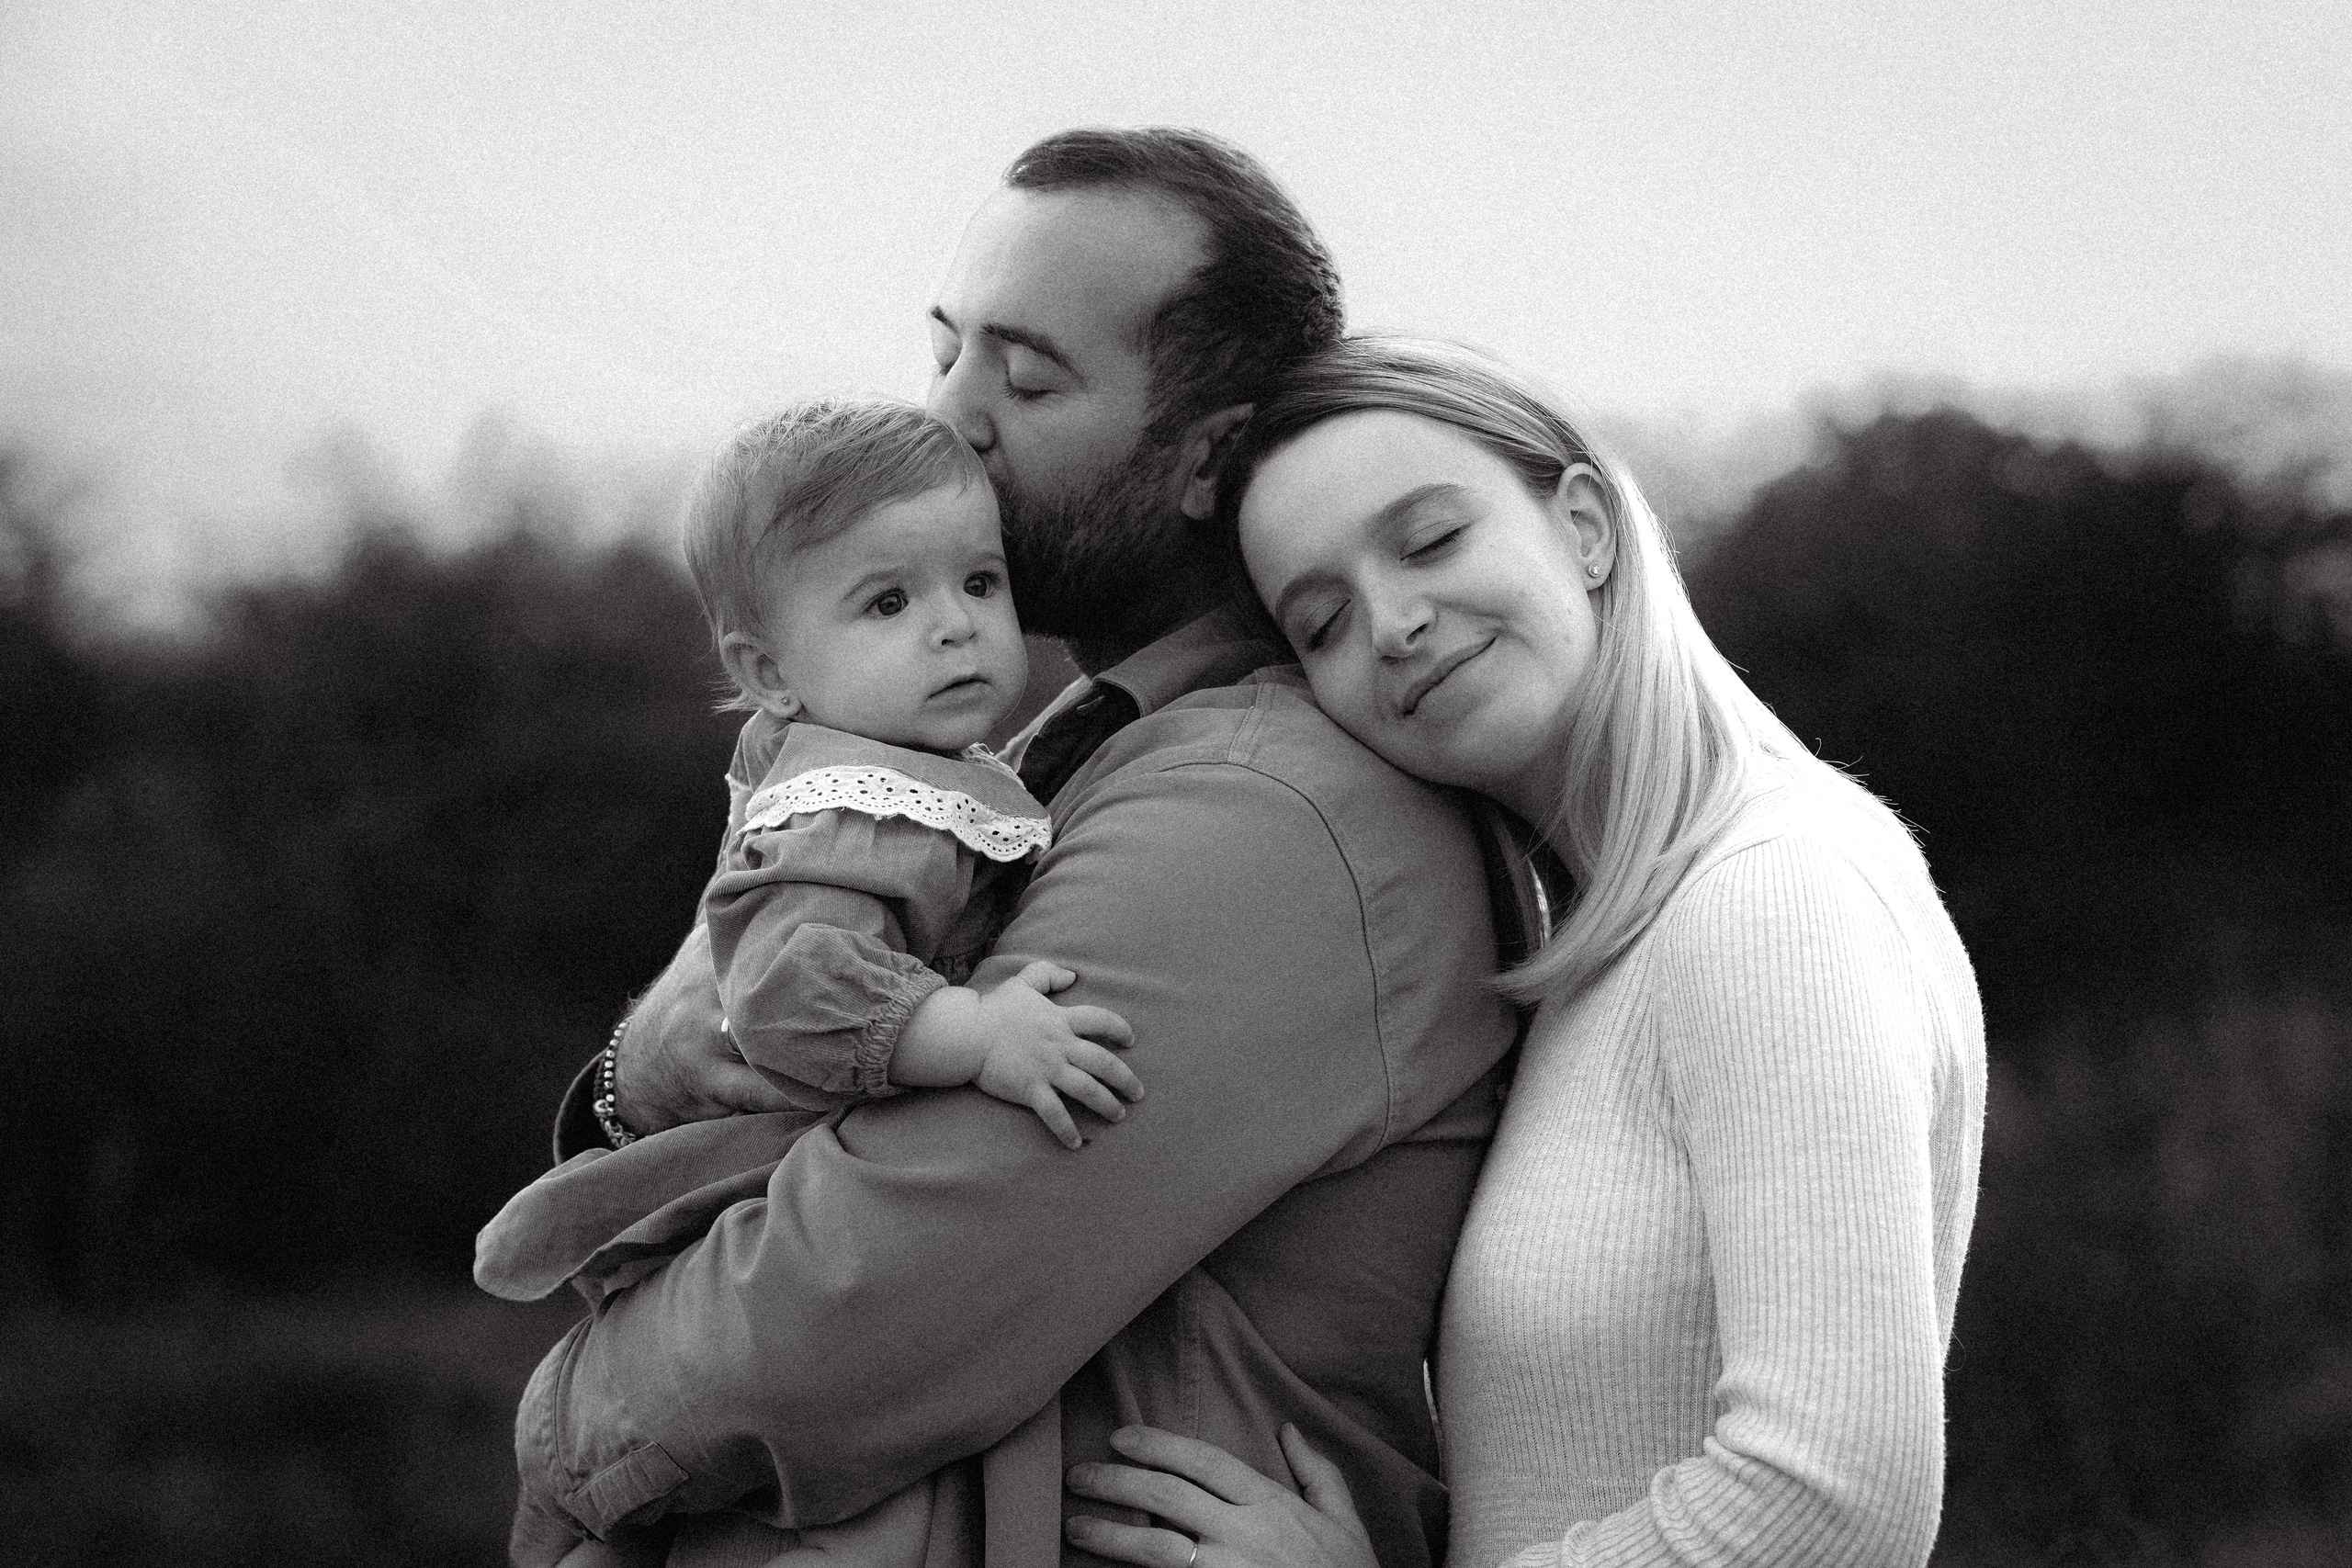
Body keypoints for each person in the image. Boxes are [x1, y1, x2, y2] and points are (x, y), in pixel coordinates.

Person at [504, 131, 1526, 1568]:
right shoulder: (1036, 748)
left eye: (1026, 376)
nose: (951, 417)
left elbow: (835, 1319)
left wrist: (558, 1436)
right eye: (945, 352)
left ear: (1208, 455)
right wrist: (639, 1070)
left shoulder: (1261, 813)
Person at [1060, 338, 1988, 1568]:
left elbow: (1832, 1500)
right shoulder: (1599, 944)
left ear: (1588, 526)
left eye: (1433, 540)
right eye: (1323, 620)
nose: (1393, 623)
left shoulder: (1774, 893)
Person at [477, 397, 1147, 1568]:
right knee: (855, 1499)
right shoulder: (855, 807)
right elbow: (788, 991)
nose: (954, 629)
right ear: (766, 669)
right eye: (888, 602)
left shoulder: (906, 765)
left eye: (978, 584)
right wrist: (973, 1033)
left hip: (810, 1190)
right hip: (770, 1192)